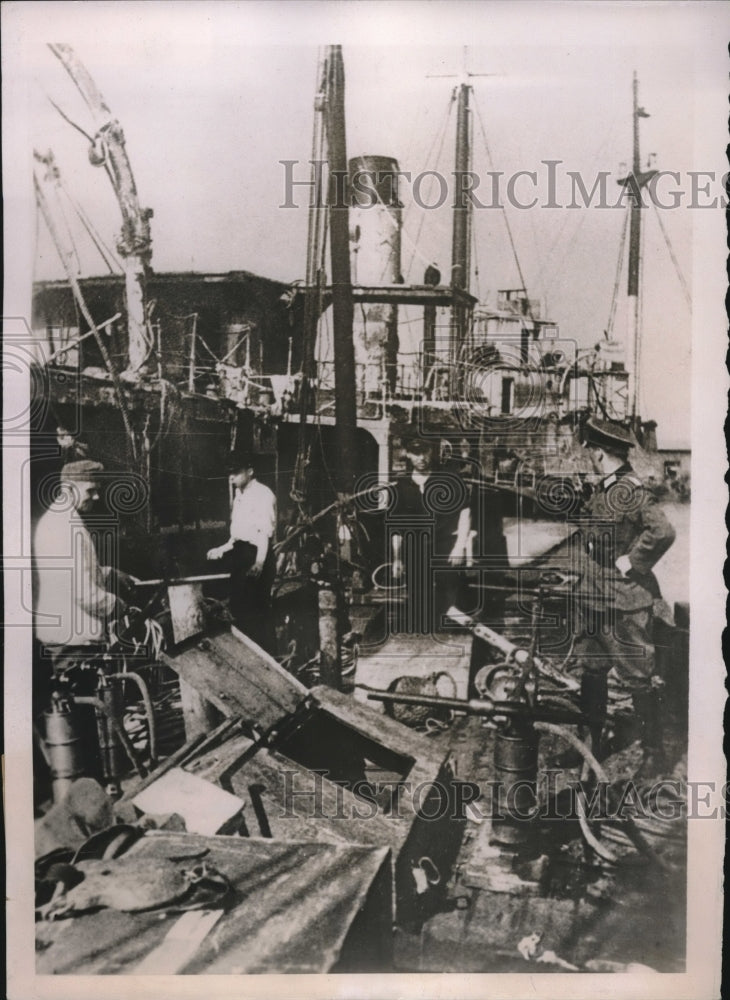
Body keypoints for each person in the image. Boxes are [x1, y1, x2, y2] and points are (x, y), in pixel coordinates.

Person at [564, 418, 676, 774]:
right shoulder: (605, 487)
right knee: (592, 673)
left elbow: (663, 530)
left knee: (637, 679)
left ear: (598, 453)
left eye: (591, 453)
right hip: (593, 599)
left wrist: (634, 561)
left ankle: (654, 752)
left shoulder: (630, 489)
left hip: (624, 602)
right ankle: (589, 746)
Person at [34, 460, 126, 684]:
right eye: (90, 490)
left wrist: (109, 573)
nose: (96, 497)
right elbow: (83, 592)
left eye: (97, 490)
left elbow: (67, 576)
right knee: (84, 711)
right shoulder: (65, 527)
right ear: (68, 488)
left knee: (84, 711)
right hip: (73, 643)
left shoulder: (59, 520)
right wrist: (117, 605)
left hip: (68, 638)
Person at [389, 436, 472, 635]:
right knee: (418, 596)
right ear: (408, 454)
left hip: (446, 547)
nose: (421, 457)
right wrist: (397, 559)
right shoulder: (402, 486)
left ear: (431, 452)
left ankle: (452, 639)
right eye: (415, 453)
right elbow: (397, 527)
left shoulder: (449, 479)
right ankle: (423, 637)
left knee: (449, 595)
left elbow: (465, 512)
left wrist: (460, 545)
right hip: (416, 547)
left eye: (425, 451)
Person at [207, 453, 277, 652]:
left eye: (235, 473)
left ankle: (268, 657)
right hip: (241, 554)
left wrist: (259, 563)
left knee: (258, 612)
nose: (231, 478)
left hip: (256, 555)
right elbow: (237, 536)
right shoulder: (239, 495)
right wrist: (222, 548)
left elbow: (263, 533)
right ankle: (245, 655)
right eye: (229, 473)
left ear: (250, 472)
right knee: (239, 609)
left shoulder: (263, 494)